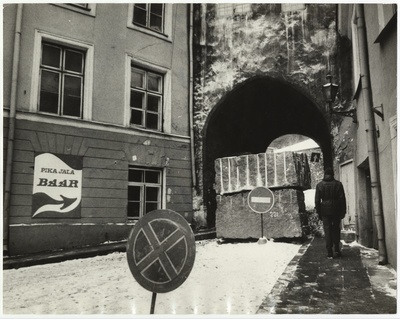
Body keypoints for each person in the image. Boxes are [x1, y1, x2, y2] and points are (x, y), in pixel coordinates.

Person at [315, 167, 346, 259]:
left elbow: (317, 200)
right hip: (336, 209)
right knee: (336, 229)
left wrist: (319, 212)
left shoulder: (319, 185)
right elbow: (342, 199)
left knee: (327, 230)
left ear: (325, 174)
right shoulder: (338, 184)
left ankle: (329, 252)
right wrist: (343, 211)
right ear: (333, 174)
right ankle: (336, 249)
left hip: (325, 210)